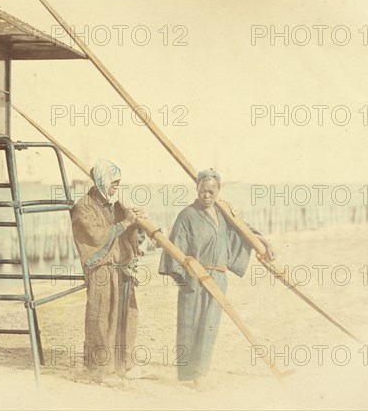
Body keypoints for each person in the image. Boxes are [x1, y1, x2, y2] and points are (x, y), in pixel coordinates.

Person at [158, 168, 274, 389]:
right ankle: (191, 375)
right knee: (190, 324)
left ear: (219, 191)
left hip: (218, 278)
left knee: (209, 325)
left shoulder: (223, 214)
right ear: (197, 189)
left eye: (211, 191)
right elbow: (173, 250)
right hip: (195, 278)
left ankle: (200, 373)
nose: (207, 196)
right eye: (203, 191)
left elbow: (243, 232)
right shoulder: (187, 215)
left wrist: (265, 242)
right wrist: (185, 281)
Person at [71, 158, 148, 386]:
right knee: (101, 318)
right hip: (102, 272)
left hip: (121, 270)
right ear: (102, 181)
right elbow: (95, 237)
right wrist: (124, 224)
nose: (116, 187)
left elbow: (127, 235)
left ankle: (124, 364)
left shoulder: (113, 205)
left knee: (125, 317)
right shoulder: (83, 207)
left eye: (118, 183)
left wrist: (135, 222)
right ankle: (100, 371)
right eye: (113, 183)